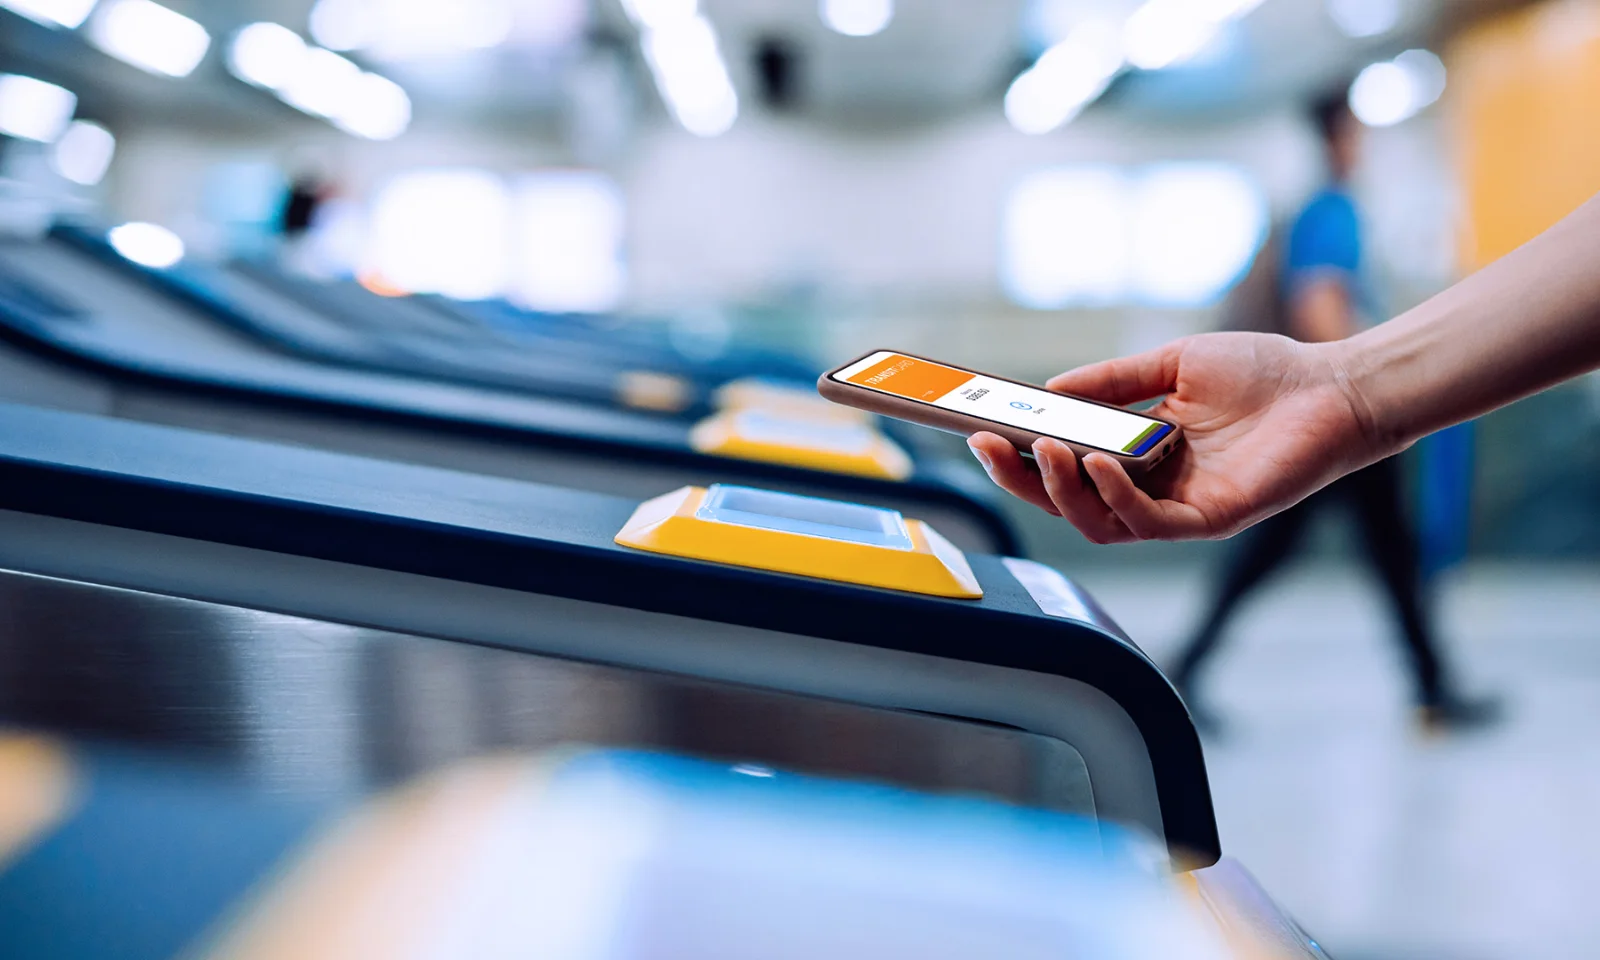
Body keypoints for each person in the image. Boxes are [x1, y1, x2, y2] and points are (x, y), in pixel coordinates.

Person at [967, 187, 1600, 729]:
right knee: (1352, 553)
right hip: (1315, 414)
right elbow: (1320, 301)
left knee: (1340, 554)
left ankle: (1417, 685)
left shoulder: (1310, 209)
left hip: (1317, 413)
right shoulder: (1334, 210)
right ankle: (1424, 687)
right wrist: (1346, 383)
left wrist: (1350, 391)